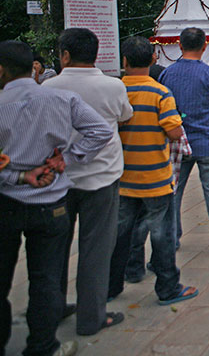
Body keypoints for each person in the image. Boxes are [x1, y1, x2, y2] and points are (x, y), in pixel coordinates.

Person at [1, 40, 114, 356]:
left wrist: (17, 176)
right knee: (46, 279)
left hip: (6, 202)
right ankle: (42, 346)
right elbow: (101, 132)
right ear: (32, 67)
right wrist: (67, 157)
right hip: (51, 202)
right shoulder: (62, 99)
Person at [43, 29, 132, 336]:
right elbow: (124, 116)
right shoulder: (112, 85)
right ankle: (91, 316)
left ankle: (52, 309)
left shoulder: (49, 86)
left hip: (58, 181)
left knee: (54, 249)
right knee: (95, 249)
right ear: (96, 54)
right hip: (101, 178)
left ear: (65, 55)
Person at [109, 37, 198, 306]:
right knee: (162, 234)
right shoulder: (161, 93)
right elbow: (173, 132)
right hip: (156, 177)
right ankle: (168, 287)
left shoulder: (115, 91)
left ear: (124, 61)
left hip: (124, 177)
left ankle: (118, 280)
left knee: (121, 231)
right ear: (152, 60)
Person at [159, 28, 209, 254]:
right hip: (208, 140)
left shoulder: (167, 74)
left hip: (177, 143)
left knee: (173, 193)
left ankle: (171, 240)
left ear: (180, 46)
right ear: (205, 46)